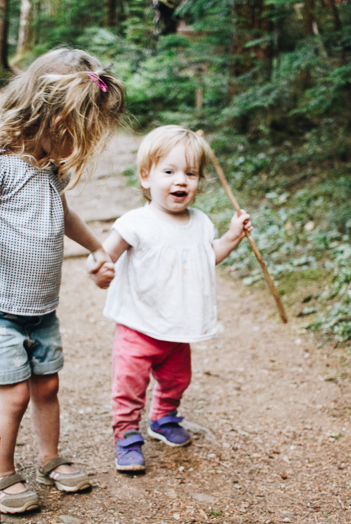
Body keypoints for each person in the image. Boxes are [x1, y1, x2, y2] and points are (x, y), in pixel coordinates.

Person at [0, 48, 125, 513]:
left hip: (40, 302)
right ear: (44, 113)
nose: (77, 144)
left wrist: (97, 246)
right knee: (15, 392)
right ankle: (1, 472)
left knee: (47, 385)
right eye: (73, 133)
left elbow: (61, 213)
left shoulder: (49, 165)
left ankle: (50, 458)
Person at [86, 125, 252, 472]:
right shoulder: (136, 222)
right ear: (146, 177)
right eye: (169, 171)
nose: (181, 181)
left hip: (179, 325)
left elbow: (209, 257)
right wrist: (100, 269)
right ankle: (127, 435)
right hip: (138, 325)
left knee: (178, 379)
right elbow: (105, 254)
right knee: (129, 385)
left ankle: (163, 417)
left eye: (190, 173)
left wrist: (232, 236)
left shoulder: (200, 222)